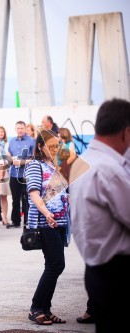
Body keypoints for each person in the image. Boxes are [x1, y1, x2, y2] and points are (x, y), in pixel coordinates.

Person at [70, 98, 130, 332]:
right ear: (126, 133)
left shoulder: (84, 162)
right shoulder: (109, 169)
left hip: (98, 270)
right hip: (118, 273)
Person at [25, 129, 69, 325]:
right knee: (56, 264)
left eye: (57, 145)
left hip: (61, 221)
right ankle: (36, 308)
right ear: (40, 146)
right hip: (46, 221)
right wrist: (46, 213)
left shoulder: (59, 165)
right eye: (50, 145)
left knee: (53, 264)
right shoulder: (35, 165)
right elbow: (34, 193)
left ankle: (45, 308)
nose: (54, 149)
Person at [7, 121, 35, 229]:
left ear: (25, 129)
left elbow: (34, 157)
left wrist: (22, 162)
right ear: (15, 129)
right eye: (18, 128)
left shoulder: (31, 141)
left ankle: (27, 221)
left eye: (22, 128)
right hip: (14, 173)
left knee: (27, 198)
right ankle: (16, 221)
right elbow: (8, 155)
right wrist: (10, 160)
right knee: (15, 198)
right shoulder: (12, 141)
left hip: (26, 174)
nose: (20, 130)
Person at [0, 125, 11, 226]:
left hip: (4, 169)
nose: (1, 133)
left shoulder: (6, 144)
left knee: (4, 196)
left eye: (2, 131)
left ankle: (5, 218)